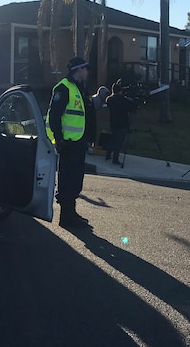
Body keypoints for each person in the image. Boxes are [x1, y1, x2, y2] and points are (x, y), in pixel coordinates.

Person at [46, 56, 96, 229]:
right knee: (67, 179)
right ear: (79, 69)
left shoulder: (79, 89)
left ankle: (71, 213)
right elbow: (54, 116)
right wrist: (58, 139)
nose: (88, 72)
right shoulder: (64, 88)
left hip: (78, 142)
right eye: (86, 69)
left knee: (76, 179)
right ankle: (66, 216)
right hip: (68, 143)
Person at [105, 81, 141, 164]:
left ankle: (108, 155)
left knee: (113, 139)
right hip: (122, 124)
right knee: (119, 141)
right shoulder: (124, 100)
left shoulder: (109, 99)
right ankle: (115, 159)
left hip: (113, 123)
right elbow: (132, 107)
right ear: (120, 91)